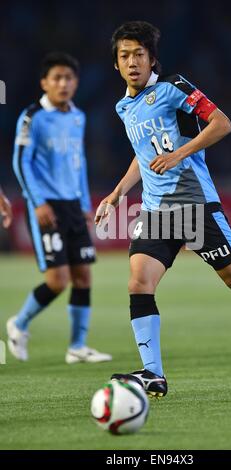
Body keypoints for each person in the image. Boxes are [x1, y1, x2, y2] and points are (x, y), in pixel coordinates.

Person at [95, 21, 231, 397]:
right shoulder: (124, 107)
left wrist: (179, 154)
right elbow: (142, 157)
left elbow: (223, 124)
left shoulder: (173, 87)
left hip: (193, 204)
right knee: (139, 282)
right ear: (116, 65)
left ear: (152, 58)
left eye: (139, 54)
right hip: (155, 212)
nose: (132, 62)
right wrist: (117, 193)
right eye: (124, 56)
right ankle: (153, 373)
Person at [9, 52, 112, 364]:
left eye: (68, 78)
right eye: (57, 78)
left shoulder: (78, 117)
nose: (63, 84)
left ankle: (77, 347)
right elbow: (20, 161)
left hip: (71, 205)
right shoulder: (32, 117)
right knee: (58, 280)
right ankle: (19, 323)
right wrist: (37, 202)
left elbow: (77, 164)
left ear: (76, 82)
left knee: (83, 276)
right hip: (46, 205)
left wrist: (83, 203)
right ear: (44, 82)